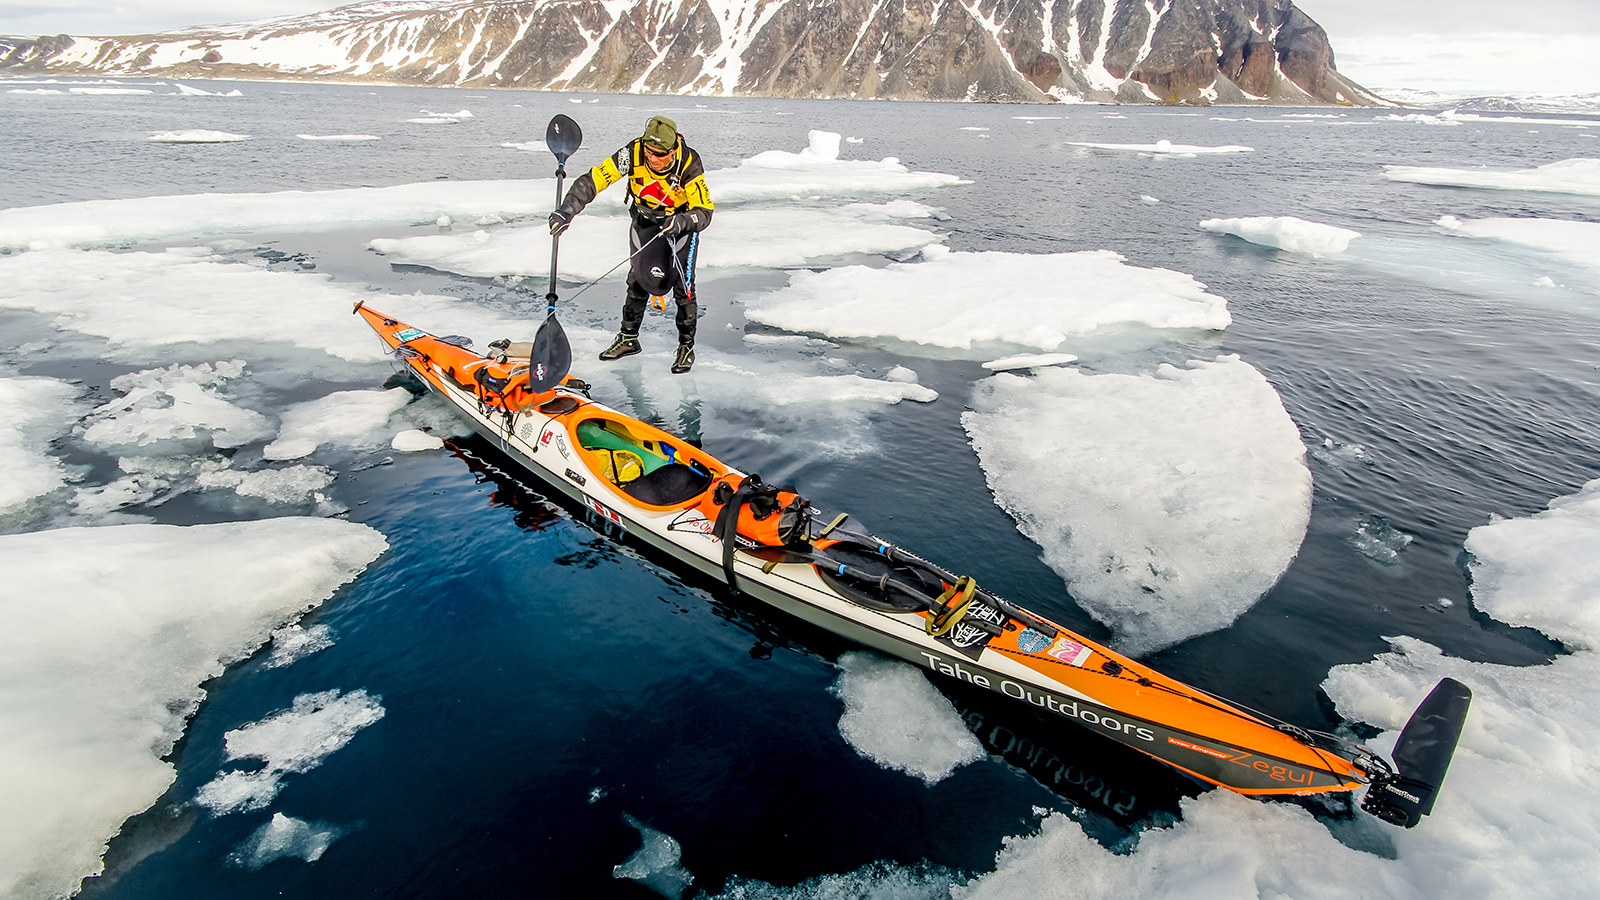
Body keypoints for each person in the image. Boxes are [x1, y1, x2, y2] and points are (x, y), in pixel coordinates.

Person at [549, 115, 713, 374]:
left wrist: (682, 222)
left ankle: (686, 347)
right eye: (650, 152)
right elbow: (593, 181)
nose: (654, 158)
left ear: (673, 150)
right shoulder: (632, 153)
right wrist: (566, 211)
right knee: (637, 280)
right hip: (644, 221)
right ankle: (628, 339)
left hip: (679, 227)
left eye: (660, 154)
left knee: (683, 288)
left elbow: (704, 212)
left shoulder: (688, 162)